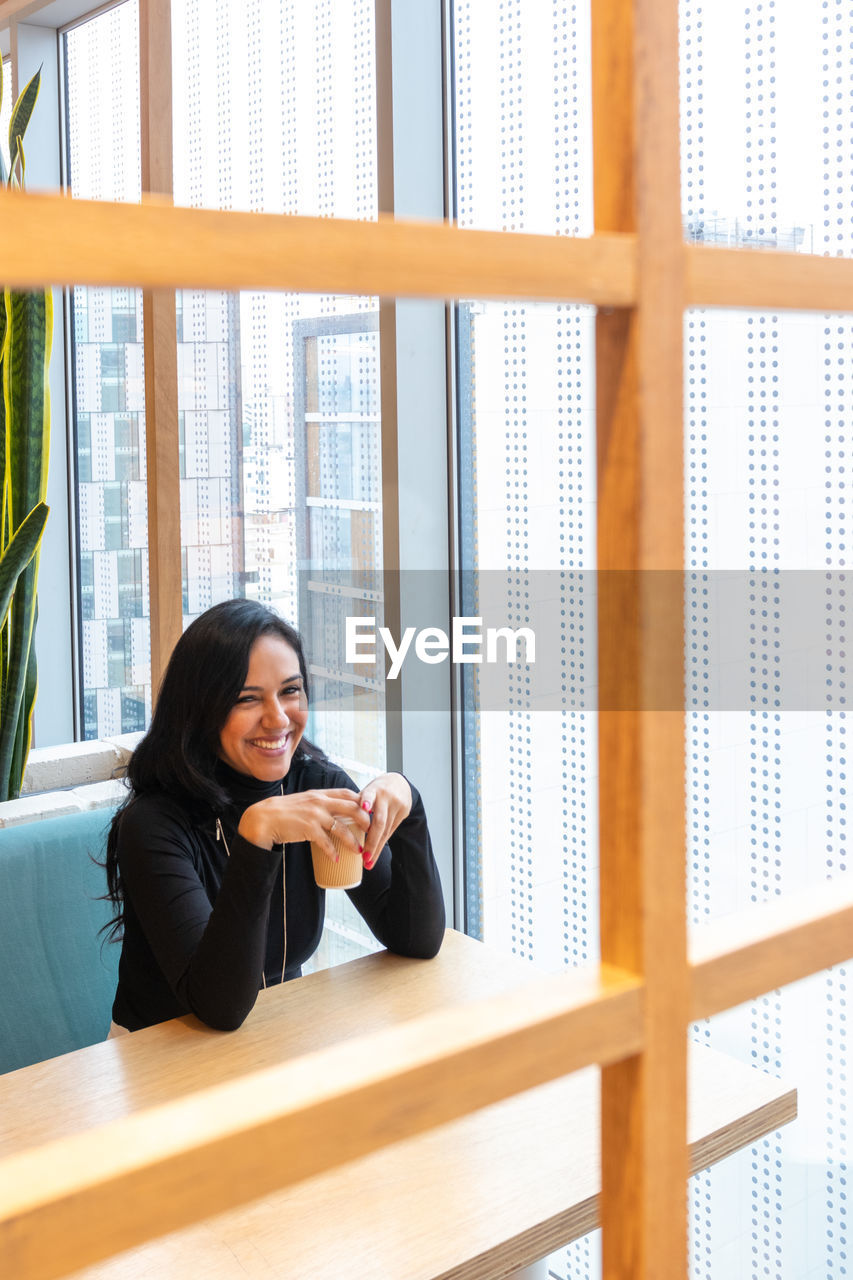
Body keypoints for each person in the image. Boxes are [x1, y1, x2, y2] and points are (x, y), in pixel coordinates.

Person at [104, 598, 445, 1032]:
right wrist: (257, 836)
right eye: (247, 699)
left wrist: (408, 807)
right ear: (199, 709)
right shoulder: (153, 825)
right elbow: (217, 1007)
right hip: (161, 1060)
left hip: (278, 1039)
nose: (278, 718)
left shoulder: (314, 786)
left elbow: (415, 939)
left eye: (290, 690)